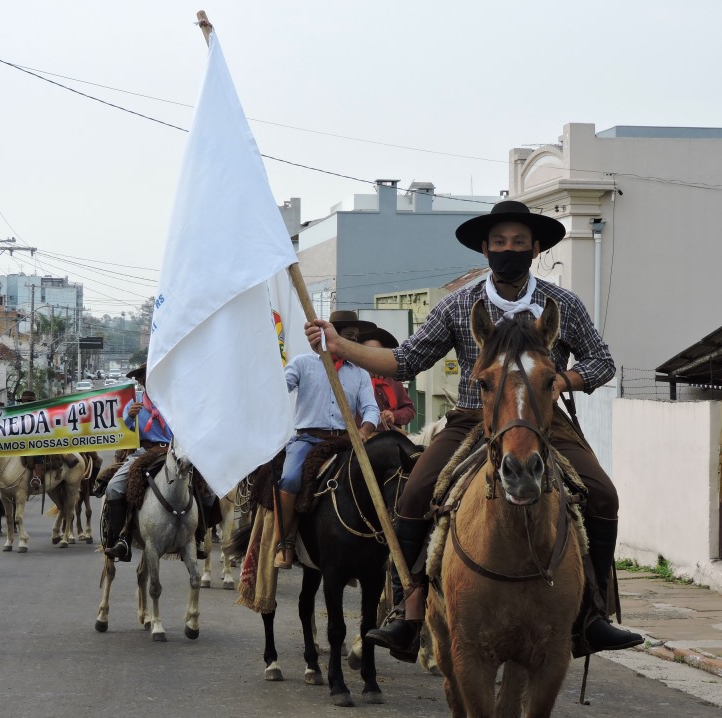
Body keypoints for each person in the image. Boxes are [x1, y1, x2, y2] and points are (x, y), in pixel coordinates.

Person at [304, 199, 644, 658]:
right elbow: (405, 361)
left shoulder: (561, 303)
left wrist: (559, 380)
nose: (509, 249)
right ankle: (409, 615)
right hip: (471, 418)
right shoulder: (459, 305)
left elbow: (601, 361)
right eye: (500, 242)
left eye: (519, 242)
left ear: (536, 247)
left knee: (603, 495)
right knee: (413, 495)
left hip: (544, 421)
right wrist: (339, 342)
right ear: (484, 249)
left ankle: (592, 615)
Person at [275, 310, 382, 568]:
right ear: (329, 335)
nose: (352, 342)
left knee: (377, 479)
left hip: (345, 441)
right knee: (289, 478)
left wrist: (365, 430)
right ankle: (284, 542)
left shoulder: (360, 373)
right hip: (308, 439)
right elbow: (279, 388)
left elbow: (371, 409)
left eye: (355, 338)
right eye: (348, 336)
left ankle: (371, 544)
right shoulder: (303, 364)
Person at [102, 365, 175, 563]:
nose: (148, 382)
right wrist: (130, 416)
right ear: (141, 382)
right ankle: (121, 539)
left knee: (206, 487)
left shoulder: (173, 400)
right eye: (144, 379)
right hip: (145, 452)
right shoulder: (134, 404)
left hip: (172, 451)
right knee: (113, 488)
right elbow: (127, 428)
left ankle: (199, 535)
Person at [356, 325, 416, 432]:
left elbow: (409, 410)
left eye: (377, 352)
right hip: (361, 438)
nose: (373, 356)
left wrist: (394, 415)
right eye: (368, 352)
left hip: (392, 438)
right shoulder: (354, 379)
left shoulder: (393, 379)